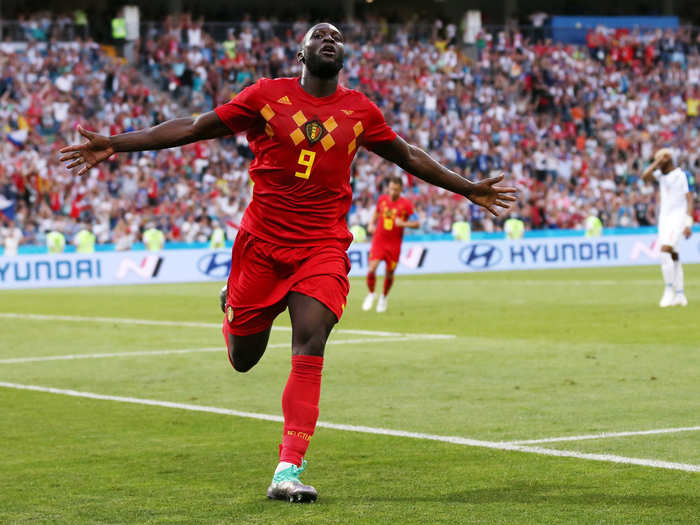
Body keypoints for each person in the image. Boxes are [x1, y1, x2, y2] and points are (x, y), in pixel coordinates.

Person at [59, 22, 516, 503]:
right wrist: (118, 142)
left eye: (337, 37)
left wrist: (466, 187)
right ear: (301, 53)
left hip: (322, 247)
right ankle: (231, 303)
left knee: (311, 338)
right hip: (262, 245)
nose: (330, 40)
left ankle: (287, 469)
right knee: (243, 358)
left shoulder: (360, 111)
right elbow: (195, 128)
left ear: (343, 56)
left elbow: (407, 155)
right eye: (320, 35)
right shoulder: (265, 97)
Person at [642, 148, 694, 307]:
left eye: (660, 161)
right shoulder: (661, 176)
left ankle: (668, 290)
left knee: (664, 251)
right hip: (664, 219)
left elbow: (690, 199)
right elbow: (645, 176)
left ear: (668, 160)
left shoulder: (683, 175)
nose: (657, 166)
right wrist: (657, 161)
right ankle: (680, 294)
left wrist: (688, 222)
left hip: (678, 218)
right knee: (674, 254)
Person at [362, 176, 418, 313]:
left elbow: (417, 223)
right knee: (371, 269)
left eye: (396, 190)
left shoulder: (407, 205)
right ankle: (371, 293)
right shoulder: (382, 199)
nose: (393, 192)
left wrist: (404, 223)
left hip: (394, 245)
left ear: (401, 190)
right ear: (388, 188)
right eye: (391, 189)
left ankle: (383, 297)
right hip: (379, 240)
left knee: (389, 273)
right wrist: (371, 223)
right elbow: (376, 212)